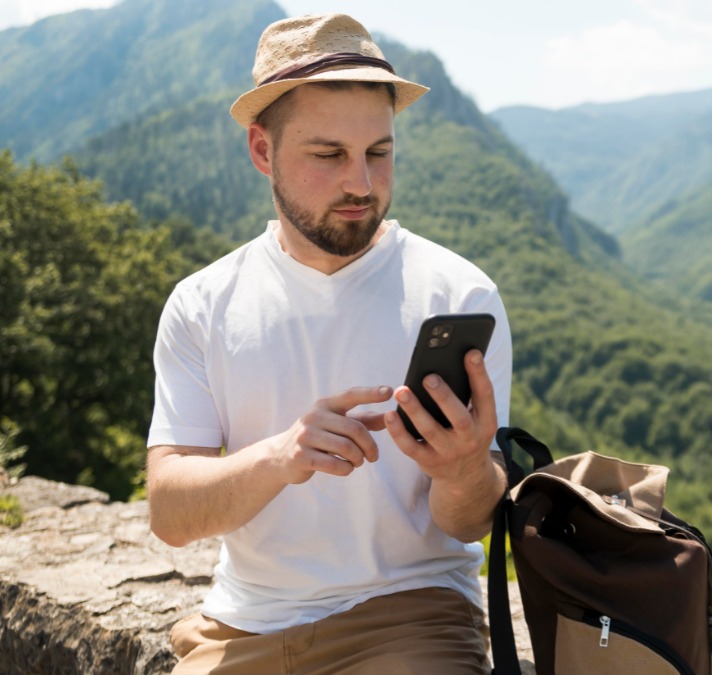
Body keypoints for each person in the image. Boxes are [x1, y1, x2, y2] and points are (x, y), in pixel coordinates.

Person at [145, 13, 512, 675]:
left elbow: (468, 523)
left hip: (411, 616)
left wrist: (464, 472)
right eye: (328, 155)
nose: (361, 184)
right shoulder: (203, 304)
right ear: (262, 151)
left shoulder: (459, 296)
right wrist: (280, 455)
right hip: (243, 623)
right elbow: (170, 512)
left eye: (379, 152)